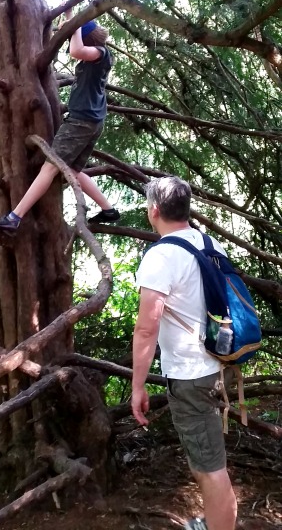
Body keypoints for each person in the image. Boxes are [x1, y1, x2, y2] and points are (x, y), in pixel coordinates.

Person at [131, 176, 237, 530]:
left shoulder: (162, 256)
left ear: (154, 211)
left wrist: (137, 386)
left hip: (191, 374)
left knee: (210, 468)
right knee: (203, 459)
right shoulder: (210, 244)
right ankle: (212, 521)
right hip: (216, 363)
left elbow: (147, 327)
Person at [0, 11, 120, 234]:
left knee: (50, 166)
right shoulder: (97, 54)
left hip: (81, 122)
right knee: (72, 168)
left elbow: (75, 50)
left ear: (87, 36)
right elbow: (67, 33)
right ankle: (108, 209)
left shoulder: (100, 53)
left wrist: (76, 25)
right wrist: (71, 16)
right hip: (91, 121)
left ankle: (15, 217)